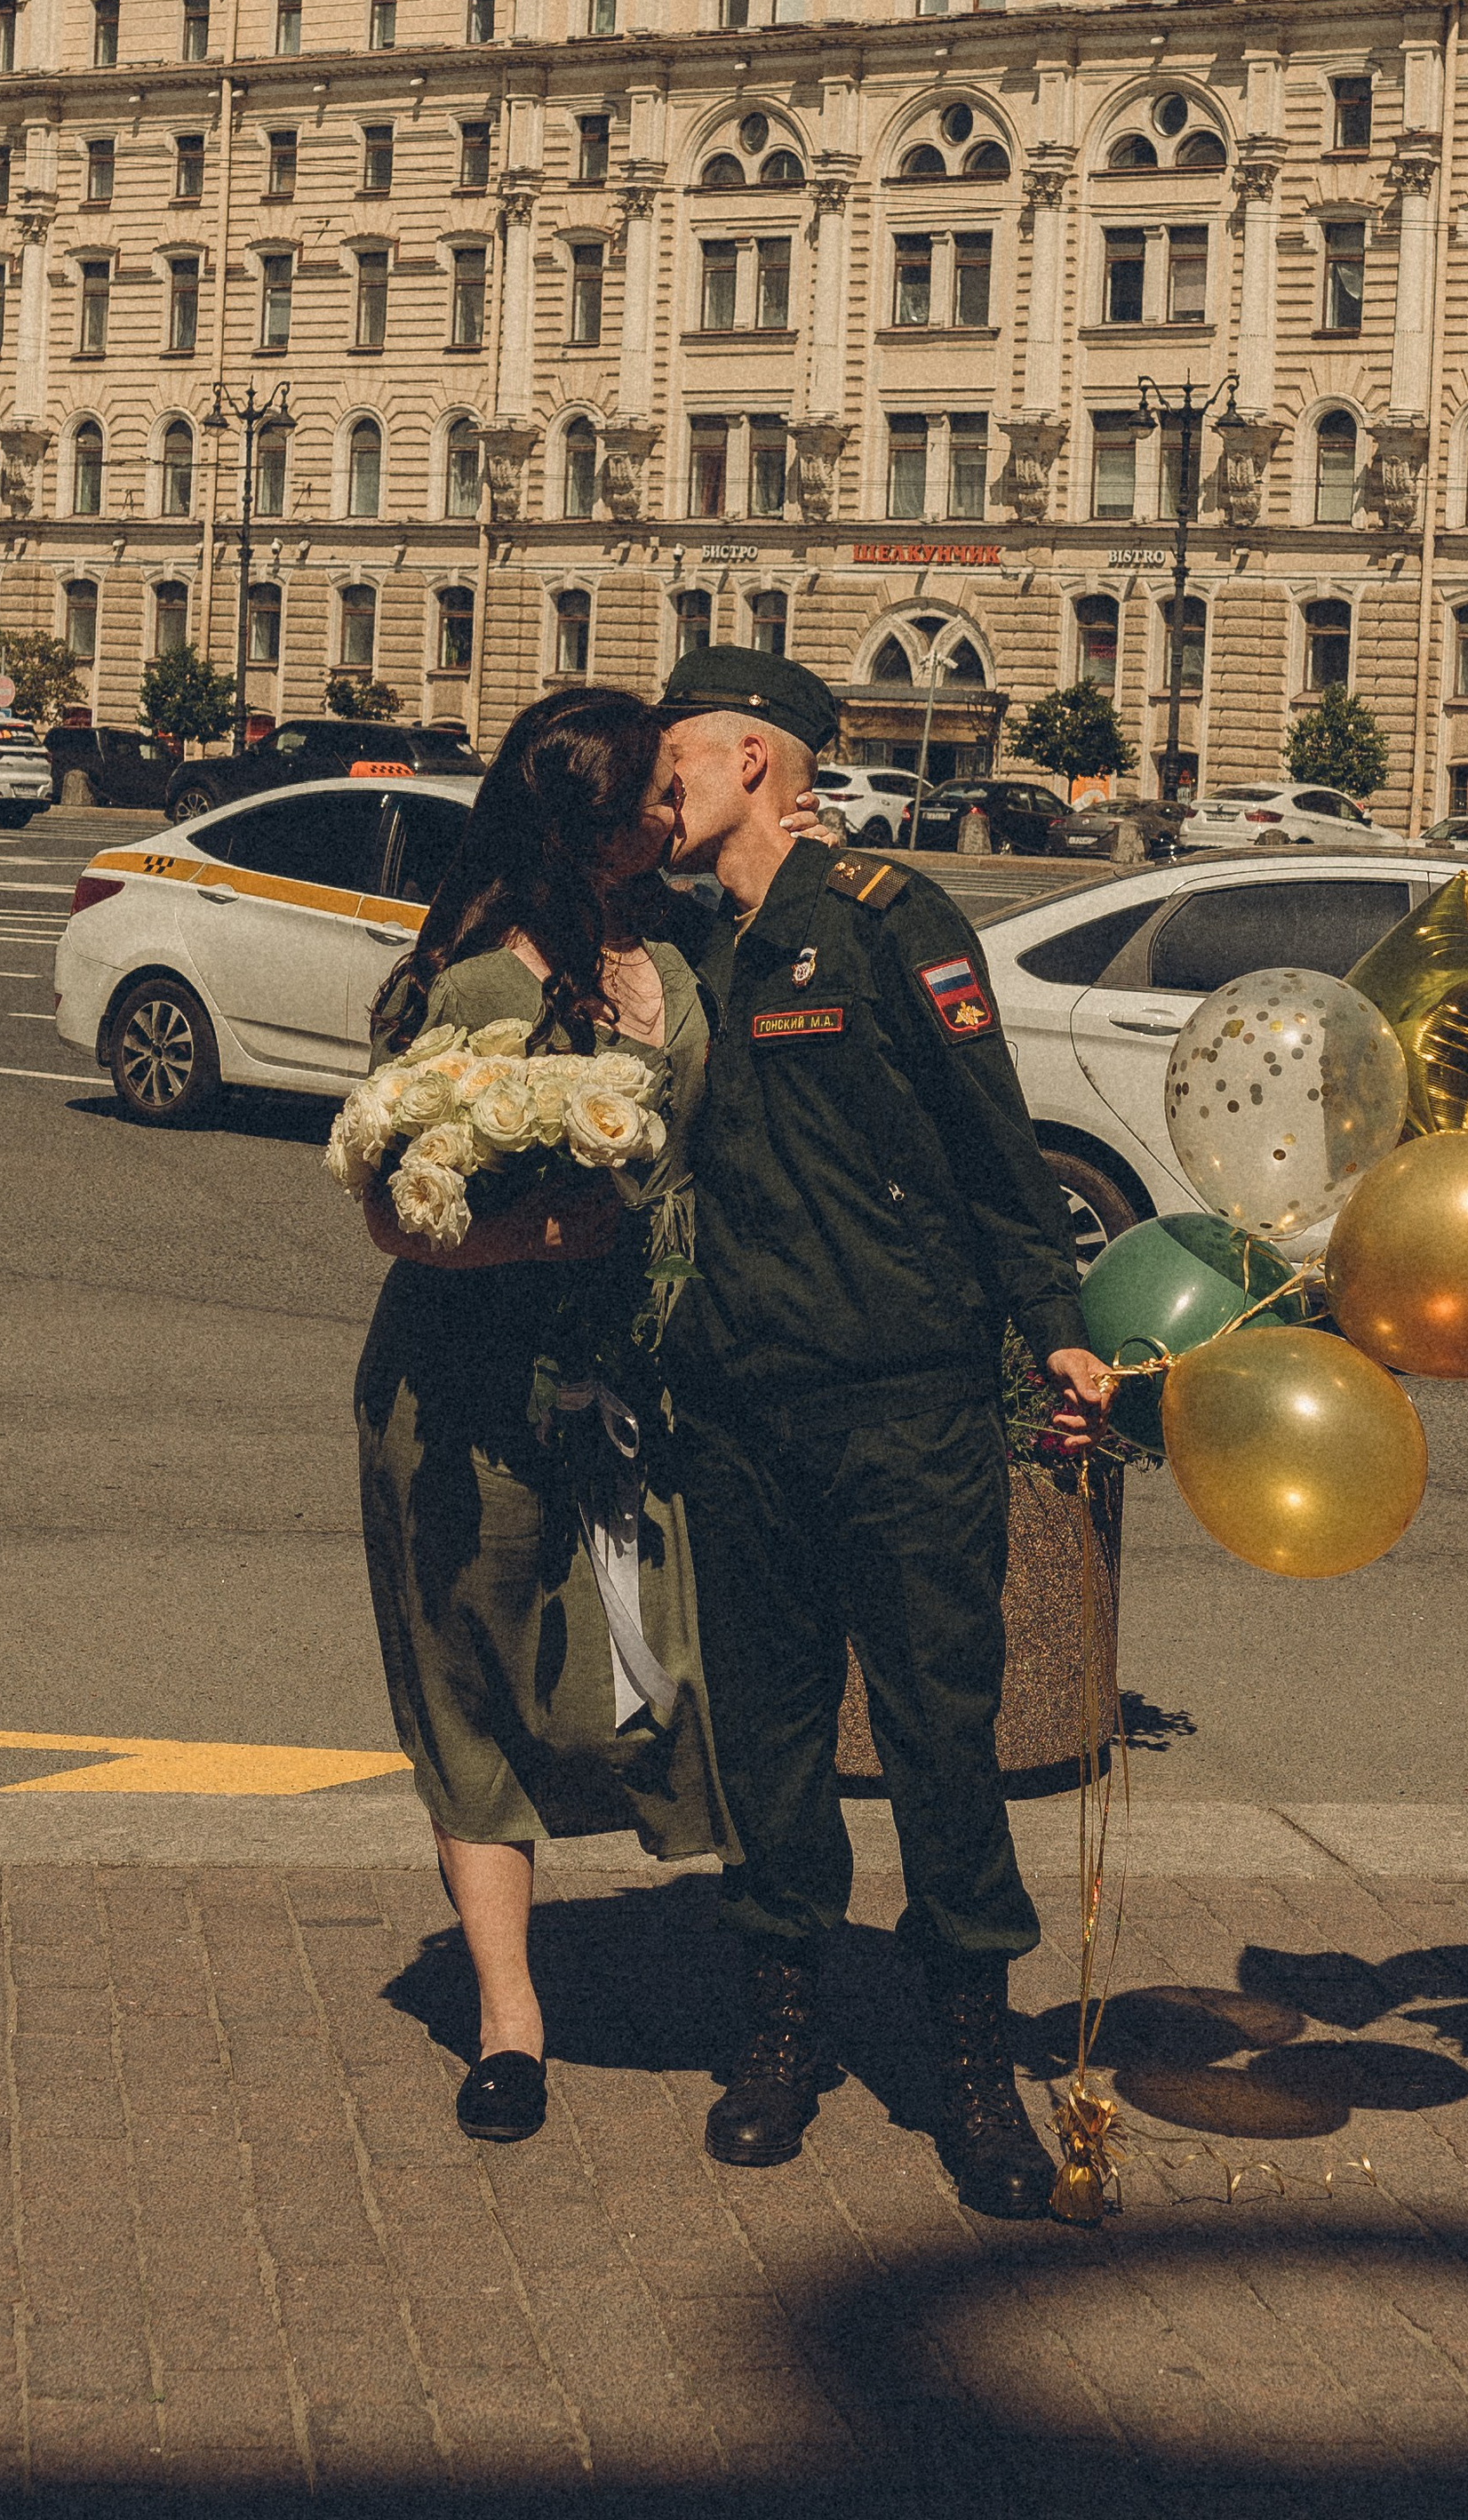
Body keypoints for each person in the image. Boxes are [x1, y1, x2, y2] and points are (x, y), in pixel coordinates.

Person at [655, 644, 1114, 2220]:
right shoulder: (672, 940)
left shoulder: (885, 920)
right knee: (769, 1739)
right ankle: (781, 2028)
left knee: (939, 1734)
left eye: (680, 769)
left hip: (902, 1403)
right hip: (734, 1404)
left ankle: (969, 2058)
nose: (664, 798)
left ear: (757, 766)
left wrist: (1056, 1326)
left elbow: (996, 1143)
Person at [353, 686, 733, 2147]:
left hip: (634, 1382)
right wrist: (545, 1241)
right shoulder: (469, 987)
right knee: (468, 1686)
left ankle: (719, 1938)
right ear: (589, 823)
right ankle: (510, 2017)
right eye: (650, 795)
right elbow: (394, 1209)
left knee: (655, 1671)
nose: (670, 812)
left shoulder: (676, 946)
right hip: (464, 1394)